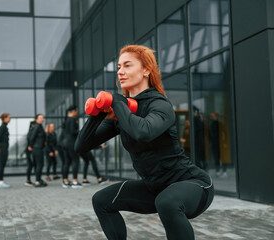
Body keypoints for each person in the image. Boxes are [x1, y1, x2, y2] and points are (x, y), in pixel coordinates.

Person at [75, 45, 214, 240]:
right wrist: (97, 114)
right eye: (118, 67)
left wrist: (117, 102)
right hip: (154, 188)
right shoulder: (122, 112)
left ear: (146, 70)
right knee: (101, 201)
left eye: (127, 65)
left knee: (167, 203)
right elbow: (81, 146)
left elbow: (142, 132)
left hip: (192, 184)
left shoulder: (160, 105)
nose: (120, 72)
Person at [62, 105, 82, 188]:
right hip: (71, 142)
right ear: (73, 112)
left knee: (67, 162)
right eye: (76, 112)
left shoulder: (66, 120)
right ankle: (75, 181)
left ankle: (65, 181)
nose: (76, 114)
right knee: (75, 161)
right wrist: (81, 131)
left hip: (65, 143)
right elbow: (73, 132)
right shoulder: (73, 120)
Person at [28, 114, 47, 187]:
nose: (42, 119)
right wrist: (30, 145)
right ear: (36, 119)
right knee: (39, 164)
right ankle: (37, 181)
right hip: (37, 148)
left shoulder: (39, 126)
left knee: (38, 165)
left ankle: (38, 179)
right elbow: (32, 136)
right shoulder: (37, 126)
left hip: (38, 148)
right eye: (40, 118)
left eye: (43, 118)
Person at [0, 113, 11, 188]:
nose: (10, 119)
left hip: (4, 147)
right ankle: (1, 182)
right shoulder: (2, 127)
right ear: (4, 118)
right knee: (2, 164)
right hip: (2, 148)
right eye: (8, 118)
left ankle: (1, 181)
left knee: (3, 164)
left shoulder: (5, 127)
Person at [24, 120, 36, 186]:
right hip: (30, 151)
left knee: (31, 165)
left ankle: (29, 180)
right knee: (30, 165)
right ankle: (28, 180)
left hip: (30, 151)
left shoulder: (30, 132)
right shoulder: (31, 132)